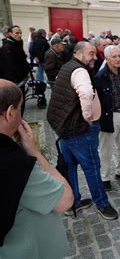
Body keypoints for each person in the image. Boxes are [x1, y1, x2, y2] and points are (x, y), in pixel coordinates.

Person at [0, 79, 73, 258]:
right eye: (20, 107)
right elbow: (65, 200)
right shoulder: (14, 163)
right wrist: (34, 152)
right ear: (10, 113)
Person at [47, 41, 118, 220]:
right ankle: (102, 203)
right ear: (79, 54)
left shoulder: (68, 66)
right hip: (79, 129)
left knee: (70, 167)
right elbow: (86, 93)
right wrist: (87, 117)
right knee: (92, 167)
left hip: (64, 128)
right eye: (91, 54)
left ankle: (73, 204)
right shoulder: (80, 71)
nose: (95, 57)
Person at [94, 45, 120, 191]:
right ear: (106, 59)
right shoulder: (100, 77)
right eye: (114, 57)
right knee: (106, 150)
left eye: (119, 56)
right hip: (109, 117)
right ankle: (104, 177)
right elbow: (96, 100)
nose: (118, 59)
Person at [0, 25, 30, 116]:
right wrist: (23, 74)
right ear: (10, 34)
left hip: (19, 80)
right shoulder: (8, 47)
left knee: (20, 103)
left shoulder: (16, 44)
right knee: (16, 104)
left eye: (20, 33)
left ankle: (19, 121)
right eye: (17, 33)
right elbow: (13, 66)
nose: (19, 35)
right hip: (14, 82)